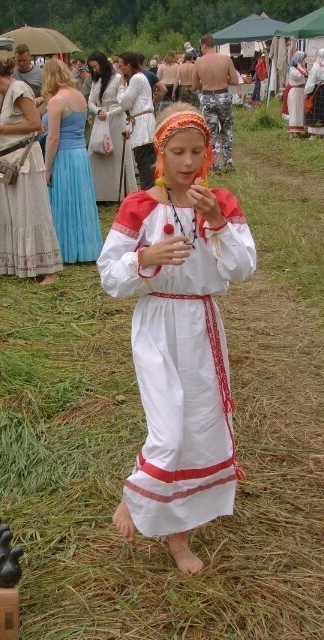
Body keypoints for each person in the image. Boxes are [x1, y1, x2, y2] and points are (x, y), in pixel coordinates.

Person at [97, 103, 256, 575]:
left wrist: (218, 225)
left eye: (196, 152)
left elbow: (243, 267)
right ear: (159, 155)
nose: (188, 162)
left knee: (198, 429)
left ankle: (179, 537)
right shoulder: (140, 205)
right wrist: (146, 256)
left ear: (207, 154)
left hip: (200, 325)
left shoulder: (220, 202)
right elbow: (109, 275)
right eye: (177, 152)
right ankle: (137, 494)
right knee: (168, 426)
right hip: (156, 324)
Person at [0, 56, 62, 284]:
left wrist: (3, 128)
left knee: (32, 212)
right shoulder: (3, 95)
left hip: (24, 160)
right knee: (15, 213)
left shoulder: (19, 89)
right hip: (9, 159)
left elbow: (36, 124)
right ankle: (22, 263)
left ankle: (49, 270)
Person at [42, 59, 103, 263]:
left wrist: (47, 168)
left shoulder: (56, 101)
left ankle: (64, 249)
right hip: (79, 153)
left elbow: (53, 137)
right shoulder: (78, 95)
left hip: (64, 155)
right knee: (80, 202)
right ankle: (84, 247)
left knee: (64, 201)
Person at [87, 50, 137, 202]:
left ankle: (120, 193)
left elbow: (124, 104)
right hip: (101, 119)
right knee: (97, 154)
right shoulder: (96, 82)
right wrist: (98, 111)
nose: (94, 70)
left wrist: (108, 114)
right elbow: (90, 101)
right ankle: (101, 194)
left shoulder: (117, 79)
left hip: (116, 119)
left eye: (96, 66)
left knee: (118, 154)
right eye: (92, 68)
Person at [192, 33, 239, 173]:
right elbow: (235, 81)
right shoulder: (225, 59)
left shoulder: (199, 62)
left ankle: (214, 165)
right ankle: (228, 162)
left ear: (204, 45)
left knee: (211, 132)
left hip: (207, 97)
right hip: (223, 95)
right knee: (227, 130)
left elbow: (194, 85)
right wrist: (224, 81)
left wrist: (206, 83)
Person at [116, 52, 156, 190]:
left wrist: (121, 86)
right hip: (141, 121)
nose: (120, 69)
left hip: (143, 125)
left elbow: (124, 103)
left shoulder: (137, 78)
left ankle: (148, 193)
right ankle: (150, 191)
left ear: (128, 65)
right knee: (146, 161)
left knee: (144, 163)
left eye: (121, 66)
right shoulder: (138, 78)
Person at [287, 52, 308, 139]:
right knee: (295, 111)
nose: (304, 60)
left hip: (301, 91)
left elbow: (307, 75)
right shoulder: (292, 69)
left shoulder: (301, 68)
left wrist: (302, 68)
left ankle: (299, 130)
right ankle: (293, 133)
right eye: (303, 59)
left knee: (301, 111)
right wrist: (300, 67)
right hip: (295, 91)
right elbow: (298, 76)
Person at [304, 48, 324, 138]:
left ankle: (314, 134)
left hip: (318, 91)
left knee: (314, 110)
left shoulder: (316, 67)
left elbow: (311, 82)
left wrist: (307, 92)